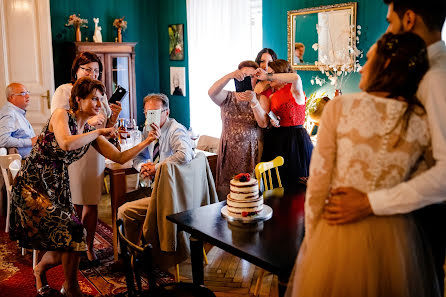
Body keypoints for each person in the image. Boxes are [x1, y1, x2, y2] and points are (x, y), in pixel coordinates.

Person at [286, 32, 439, 297]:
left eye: (368, 59)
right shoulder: (420, 118)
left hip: (340, 229)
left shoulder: (340, 107)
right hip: (398, 237)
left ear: (387, 65)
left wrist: (312, 239)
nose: (361, 67)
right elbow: (425, 176)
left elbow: (317, 186)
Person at [323, 0, 446, 293]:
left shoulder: (435, 79)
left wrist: (369, 202)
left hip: (421, 214)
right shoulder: (422, 71)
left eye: (390, 22)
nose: (387, 31)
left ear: (409, 19)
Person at [9, 77, 159, 297]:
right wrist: (99, 132)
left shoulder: (89, 131)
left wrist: (147, 141)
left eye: (100, 99)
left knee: (74, 235)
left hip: (57, 185)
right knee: (73, 232)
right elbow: (66, 143)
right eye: (93, 99)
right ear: (78, 100)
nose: (99, 104)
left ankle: (47, 273)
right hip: (33, 185)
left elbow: (119, 156)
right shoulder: (62, 115)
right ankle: (70, 287)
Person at [51, 51, 122, 265]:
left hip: (94, 152)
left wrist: (114, 118)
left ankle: (89, 247)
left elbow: (107, 128)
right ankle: (74, 247)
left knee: (91, 202)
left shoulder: (99, 93)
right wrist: (88, 124)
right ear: (76, 70)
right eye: (87, 69)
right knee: (75, 204)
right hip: (73, 152)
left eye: (97, 70)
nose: (93, 73)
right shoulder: (65, 90)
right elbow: (60, 124)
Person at [117, 93, 194, 244]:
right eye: (148, 113)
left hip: (172, 194)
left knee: (124, 211)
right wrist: (143, 166)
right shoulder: (147, 130)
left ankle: (130, 257)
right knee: (123, 200)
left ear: (167, 112)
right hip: (154, 187)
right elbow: (137, 157)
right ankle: (140, 248)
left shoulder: (175, 130)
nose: (151, 117)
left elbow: (185, 155)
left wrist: (156, 167)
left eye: (155, 113)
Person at [208, 60, 268, 199]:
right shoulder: (227, 97)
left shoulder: (261, 99)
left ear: (256, 79)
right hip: (228, 152)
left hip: (250, 153)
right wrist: (229, 76)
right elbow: (211, 92)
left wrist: (254, 102)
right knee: (226, 197)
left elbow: (263, 123)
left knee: (248, 195)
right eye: (244, 75)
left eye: (251, 76)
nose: (248, 79)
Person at [256, 59, 313, 187]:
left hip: (295, 140)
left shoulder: (295, 90)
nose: (269, 78)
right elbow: (272, 120)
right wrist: (273, 121)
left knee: (295, 183)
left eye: (272, 74)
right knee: (277, 182)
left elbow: (296, 77)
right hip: (277, 140)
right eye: (268, 74)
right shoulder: (272, 97)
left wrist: (266, 76)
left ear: (281, 74)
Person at [0, 83, 37, 157]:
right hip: (22, 163)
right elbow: (3, 140)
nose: (27, 96)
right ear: (12, 97)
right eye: (23, 93)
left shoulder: (17, 111)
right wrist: (30, 142)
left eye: (27, 92)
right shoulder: (9, 114)